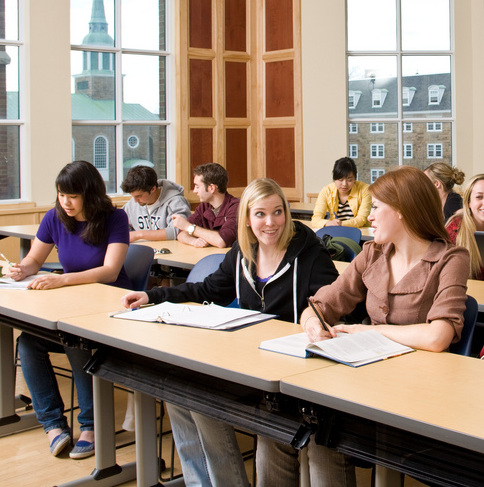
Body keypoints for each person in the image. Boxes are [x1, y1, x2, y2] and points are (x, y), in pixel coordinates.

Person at [122, 178, 339, 487]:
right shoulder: (243, 251)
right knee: (179, 393)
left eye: (278, 212)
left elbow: (333, 305)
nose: (270, 222)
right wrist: (153, 296)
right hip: (252, 360)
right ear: (248, 219)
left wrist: (315, 322)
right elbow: (209, 289)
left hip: (295, 370)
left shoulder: (310, 255)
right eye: (260, 214)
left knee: (203, 399)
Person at [261, 166, 470, 486]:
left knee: (323, 436)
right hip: (366, 375)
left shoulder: (451, 258)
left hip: (419, 388)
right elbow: (322, 305)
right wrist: (313, 325)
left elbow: (437, 336)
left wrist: (368, 331)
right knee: (283, 430)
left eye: (376, 208)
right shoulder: (372, 253)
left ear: (401, 212)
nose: (368, 216)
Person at [6, 161, 130, 460]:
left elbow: (110, 271)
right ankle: (53, 425)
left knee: (74, 342)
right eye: (61, 195)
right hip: (73, 303)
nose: (66, 202)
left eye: (72, 196)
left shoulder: (115, 218)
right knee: (27, 341)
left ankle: (90, 425)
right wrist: (20, 269)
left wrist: (61, 279)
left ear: (90, 193)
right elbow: (34, 260)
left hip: (111, 305)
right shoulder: (55, 218)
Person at [172, 163, 239, 249]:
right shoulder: (204, 206)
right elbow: (181, 235)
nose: (194, 191)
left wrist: (189, 227)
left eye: (197, 186)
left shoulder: (236, 207)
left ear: (211, 188)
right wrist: (194, 241)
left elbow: (221, 241)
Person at [120, 165, 191, 242]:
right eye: (133, 196)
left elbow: (179, 230)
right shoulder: (131, 205)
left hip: (170, 251)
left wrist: (139, 234)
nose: (135, 201)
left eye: (139, 196)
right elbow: (119, 226)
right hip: (143, 250)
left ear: (152, 189)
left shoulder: (176, 202)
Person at [310, 156, 371, 229]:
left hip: (360, 233)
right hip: (336, 231)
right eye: (340, 180)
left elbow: (361, 220)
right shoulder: (326, 191)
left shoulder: (365, 189)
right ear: (334, 179)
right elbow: (315, 219)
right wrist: (328, 223)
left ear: (355, 179)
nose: (344, 184)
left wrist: (340, 224)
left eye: (349, 180)